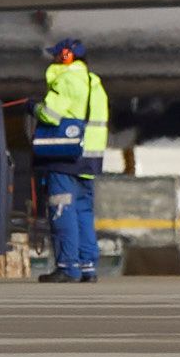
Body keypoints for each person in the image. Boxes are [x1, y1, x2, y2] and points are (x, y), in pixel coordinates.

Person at [28, 44, 113, 276]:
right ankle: (88, 266)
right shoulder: (94, 83)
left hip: (65, 157)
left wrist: (34, 107)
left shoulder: (66, 80)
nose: (54, 58)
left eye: (57, 54)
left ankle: (67, 267)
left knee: (62, 209)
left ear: (67, 56)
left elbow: (51, 114)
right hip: (89, 159)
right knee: (83, 212)